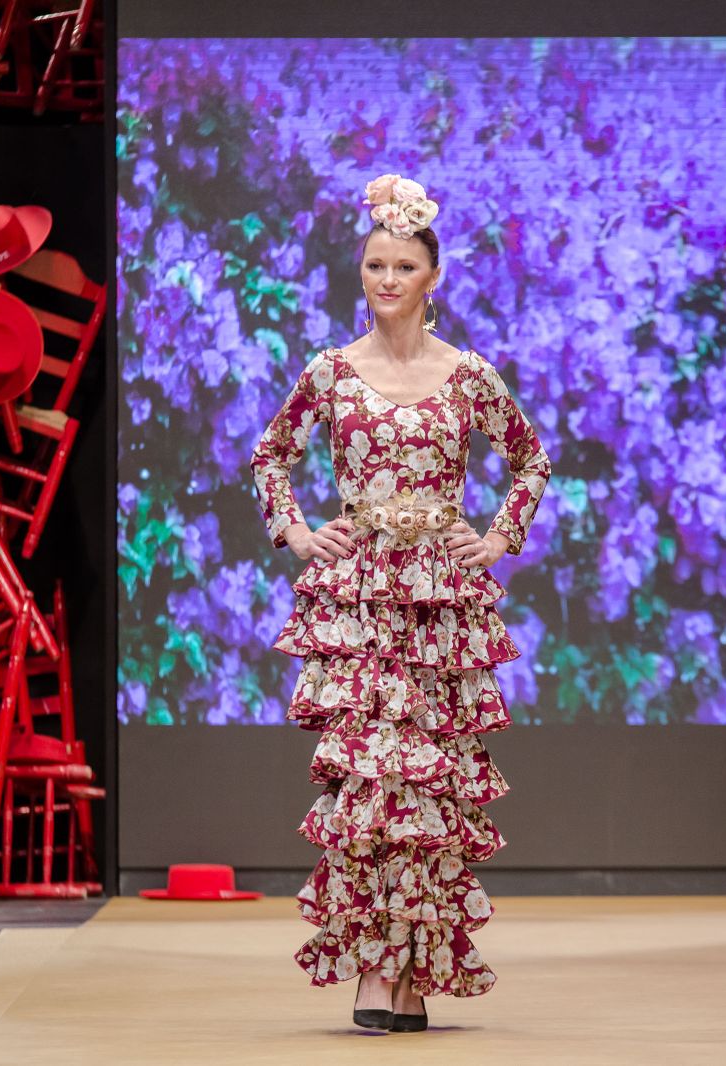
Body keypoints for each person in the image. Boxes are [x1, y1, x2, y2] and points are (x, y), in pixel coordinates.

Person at [250, 174, 551, 1032]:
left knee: (430, 799)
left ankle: (415, 972)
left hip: (443, 608)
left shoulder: (469, 376)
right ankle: (376, 972)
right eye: (374, 264)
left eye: (403, 265)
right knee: (372, 786)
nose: (386, 278)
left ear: (433, 277)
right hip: (361, 600)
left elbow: (531, 459)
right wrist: (301, 535)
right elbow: (271, 455)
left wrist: (497, 541)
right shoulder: (332, 372)